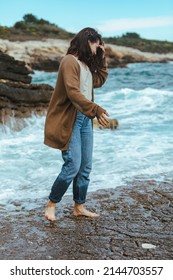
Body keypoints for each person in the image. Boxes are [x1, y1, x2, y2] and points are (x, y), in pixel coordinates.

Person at [44, 27, 110, 222]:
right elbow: (74, 94)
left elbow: (99, 80)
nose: (98, 46)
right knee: (73, 165)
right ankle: (51, 203)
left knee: (85, 167)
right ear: (85, 40)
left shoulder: (86, 66)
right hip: (70, 119)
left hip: (84, 120)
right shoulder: (69, 62)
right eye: (95, 42)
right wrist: (96, 109)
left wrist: (101, 59)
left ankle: (79, 206)